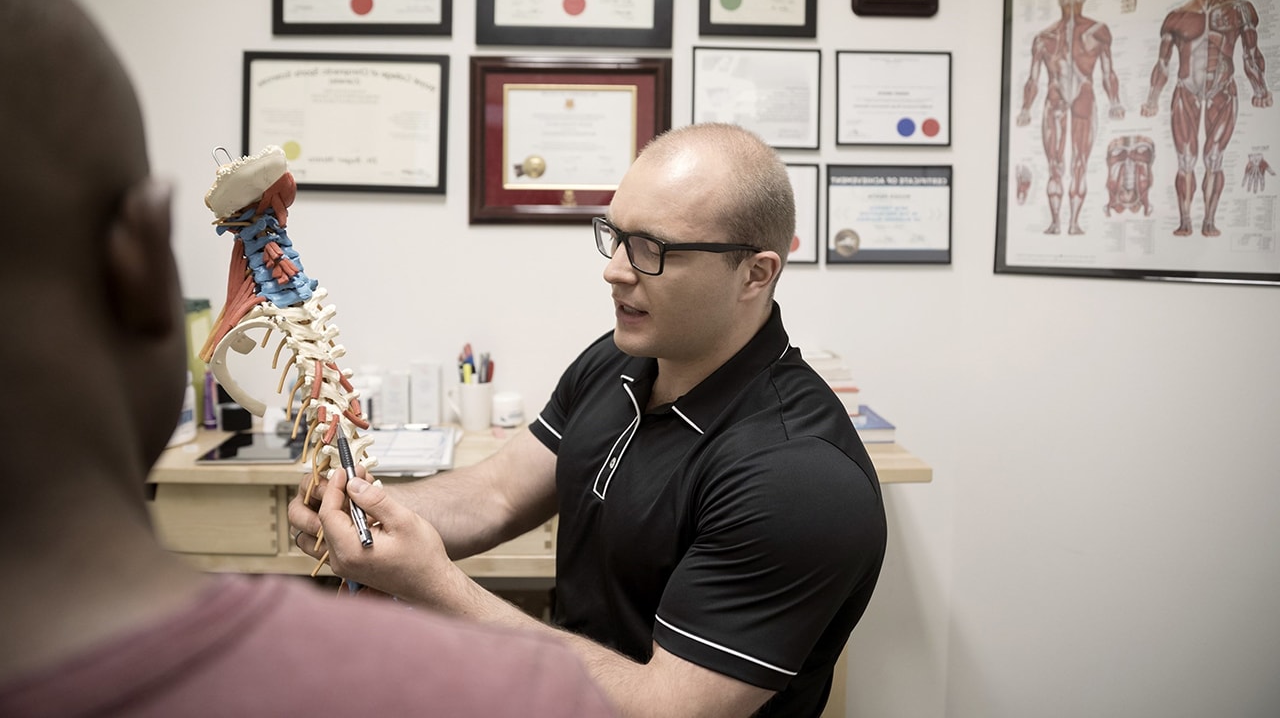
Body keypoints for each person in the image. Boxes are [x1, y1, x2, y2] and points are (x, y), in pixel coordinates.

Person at [0, 0, 615, 716]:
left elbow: (502, 493)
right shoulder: (527, 695)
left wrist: (402, 545)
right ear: (144, 263)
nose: (615, 270)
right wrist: (429, 579)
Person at [290, 122, 888, 717]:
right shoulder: (621, 358)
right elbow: (498, 493)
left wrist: (432, 584)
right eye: (616, 235)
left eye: (653, 249)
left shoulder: (797, 475)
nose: (616, 270)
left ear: (755, 274)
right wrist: (372, 514)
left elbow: (666, 709)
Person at [1141, 0, 1272, 236]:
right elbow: (1163, 63)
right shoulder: (1177, 16)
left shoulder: (1240, 9)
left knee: (1214, 158)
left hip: (1222, 89)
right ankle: (1185, 222)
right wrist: (1151, 100)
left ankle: (1209, 221)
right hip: (1185, 90)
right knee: (1186, 161)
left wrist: (1260, 90)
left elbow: (1251, 53)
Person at [1015, 0, 1125, 235]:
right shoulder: (1044, 37)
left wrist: (1115, 102)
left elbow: (1108, 71)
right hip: (1055, 98)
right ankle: (1056, 222)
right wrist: (1026, 108)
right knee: (1055, 165)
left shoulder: (1098, 31)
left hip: (1084, 96)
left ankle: (1074, 223)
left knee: (1079, 164)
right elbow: (1033, 79)